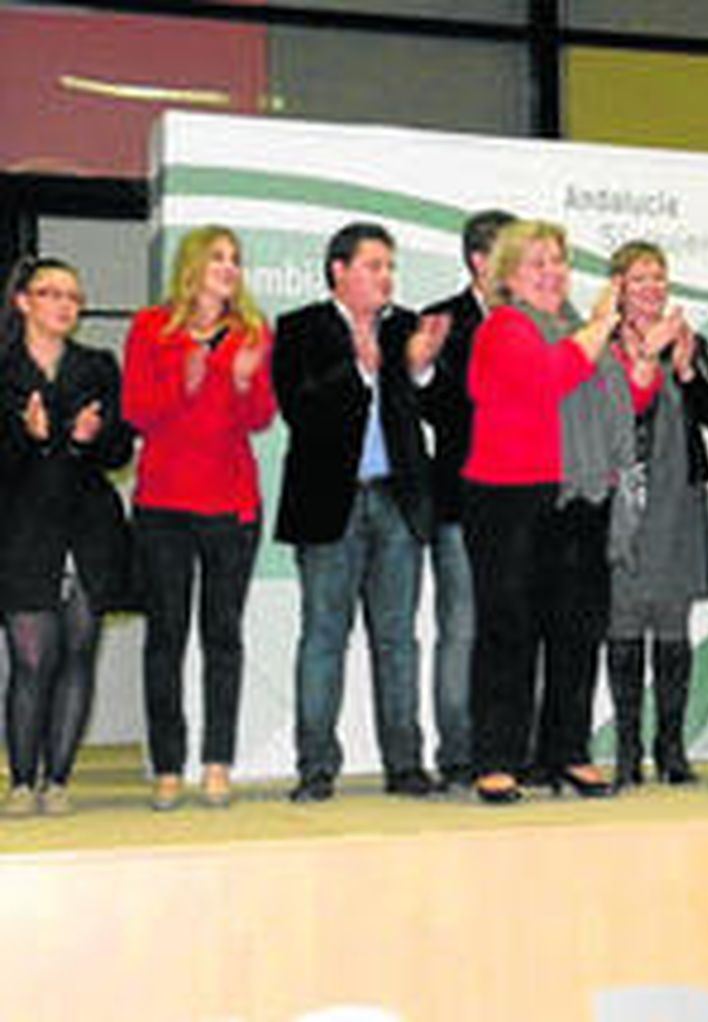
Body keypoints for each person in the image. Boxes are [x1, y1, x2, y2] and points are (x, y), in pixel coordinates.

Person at [461, 220, 667, 803]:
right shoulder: (504, 327)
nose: (553, 272)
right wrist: (604, 325)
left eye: (558, 261)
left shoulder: (576, 328)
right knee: (510, 632)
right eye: (538, 263)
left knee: (576, 632)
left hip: (579, 497)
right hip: (512, 497)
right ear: (507, 276)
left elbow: (618, 399)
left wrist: (645, 367)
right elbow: (549, 377)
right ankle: (498, 757)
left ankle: (567, 752)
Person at [272, 222, 449, 803]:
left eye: (389, 267)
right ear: (338, 271)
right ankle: (316, 766)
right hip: (331, 502)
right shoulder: (300, 327)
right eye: (374, 266)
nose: (386, 277)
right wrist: (362, 370)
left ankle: (405, 763)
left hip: (397, 499)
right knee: (324, 635)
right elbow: (300, 408)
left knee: (398, 639)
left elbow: (437, 406)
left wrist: (418, 366)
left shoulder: (406, 326)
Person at [123, 226, 276, 810]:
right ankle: (167, 764)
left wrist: (240, 381)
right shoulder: (149, 328)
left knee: (223, 638)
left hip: (231, 505)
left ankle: (217, 761)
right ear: (193, 266)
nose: (229, 268)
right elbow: (137, 409)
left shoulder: (252, 333)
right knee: (165, 636)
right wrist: (182, 383)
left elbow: (261, 416)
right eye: (218, 257)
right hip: (163, 506)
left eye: (235, 259)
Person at [0, 257, 135, 815]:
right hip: (23, 528)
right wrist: (29, 439)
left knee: (79, 655)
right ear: (23, 301)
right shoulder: (3, 369)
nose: (64, 305)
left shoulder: (99, 365)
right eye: (51, 293)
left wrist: (86, 439)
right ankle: (20, 780)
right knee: (32, 660)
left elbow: (120, 451)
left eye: (74, 297)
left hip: (88, 525)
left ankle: (58, 779)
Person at [604, 241, 708, 788]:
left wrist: (686, 370)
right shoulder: (598, 344)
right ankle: (629, 748)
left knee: (673, 623)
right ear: (618, 288)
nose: (653, 288)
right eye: (640, 279)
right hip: (623, 502)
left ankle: (671, 747)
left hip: (679, 499)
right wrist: (642, 357)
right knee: (625, 620)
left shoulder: (690, 340)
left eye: (659, 278)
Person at [419, 209, 514, 791]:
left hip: (527, 499)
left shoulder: (538, 318)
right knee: (463, 628)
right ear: (480, 261)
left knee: (514, 627)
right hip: (462, 497)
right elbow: (437, 408)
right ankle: (458, 752)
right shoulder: (445, 321)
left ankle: (508, 748)